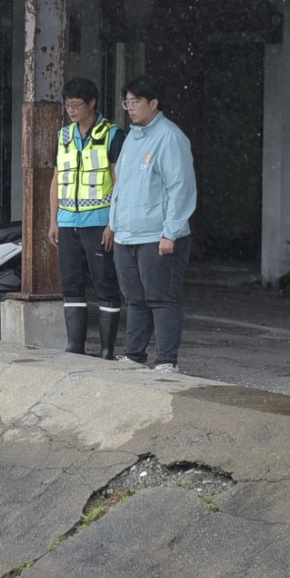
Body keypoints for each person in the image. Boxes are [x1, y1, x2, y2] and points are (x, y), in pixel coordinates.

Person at [108, 75, 196, 372]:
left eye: (135, 102)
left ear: (154, 104)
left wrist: (170, 232)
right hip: (127, 234)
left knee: (161, 298)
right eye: (127, 102)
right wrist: (113, 224)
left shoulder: (170, 138)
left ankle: (166, 361)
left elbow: (179, 187)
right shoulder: (132, 137)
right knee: (135, 299)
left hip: (158, 235)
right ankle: (134, 355)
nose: (130, 108)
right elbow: (120, 185)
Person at [48, 77, 125, 357]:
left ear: (92, 103)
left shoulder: (113, 135)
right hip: (68, 224)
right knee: (70, 285)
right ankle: (75, 346)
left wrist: (113, 224)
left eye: (76, 104)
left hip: (99, 223)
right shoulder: (63, 136)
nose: (71, 109)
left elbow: (120, 183)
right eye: (67, 104)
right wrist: (53, 221)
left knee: (105, 284)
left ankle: (106, 350)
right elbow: (57, 180)